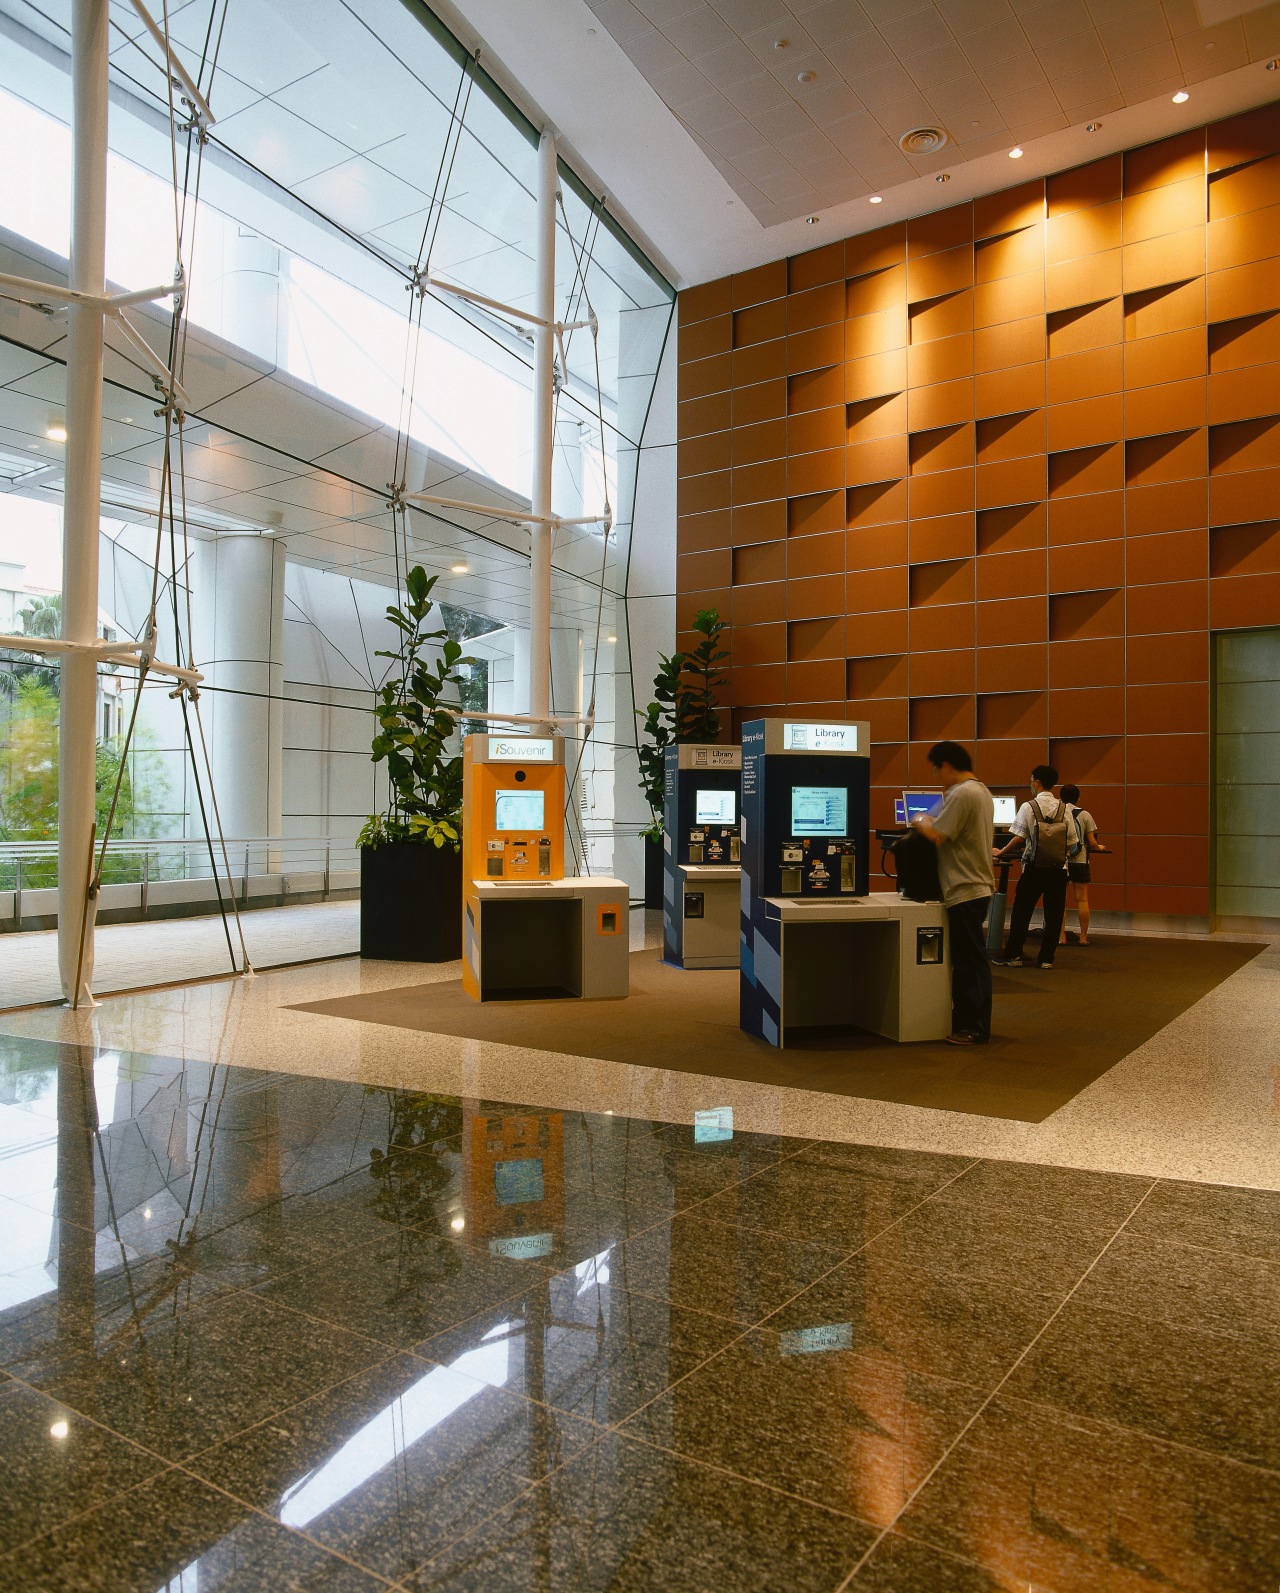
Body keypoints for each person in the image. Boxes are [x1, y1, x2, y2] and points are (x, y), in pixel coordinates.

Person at [911, 740, 995, 1046]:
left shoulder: (961, 793)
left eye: (936, 770)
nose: (937, 777)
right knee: (969, 959)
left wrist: (919, 819)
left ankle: (974, 1028)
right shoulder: (981, 790)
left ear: (945, 765)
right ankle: (968, 1023)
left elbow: (938, 835)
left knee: (969, 961)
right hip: (977, 885)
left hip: (965, 887)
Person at [992, 765, 1076, 969]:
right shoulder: (1064, 808)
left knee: (1022, 911)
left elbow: (1019, 838)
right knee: (1054, 914)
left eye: (1031, 780)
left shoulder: (1029, 806)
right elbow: (1073, 841)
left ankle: (1013, 955)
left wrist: (1001, 852)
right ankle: (1046, 958)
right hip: (1058, 869)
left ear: (1037, 782)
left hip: (1033, 868)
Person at [1058, 783, 1112, 946]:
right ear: (1078, 798)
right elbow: (1092, 842)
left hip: (1062, 860)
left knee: (1061, 901)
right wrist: (1098, 847)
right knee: (1082, 900)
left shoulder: (1057, 813)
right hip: (1080, 860)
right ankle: (1083, 937)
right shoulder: (1085, 815)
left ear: (1060, 797)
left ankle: (1061, 937)